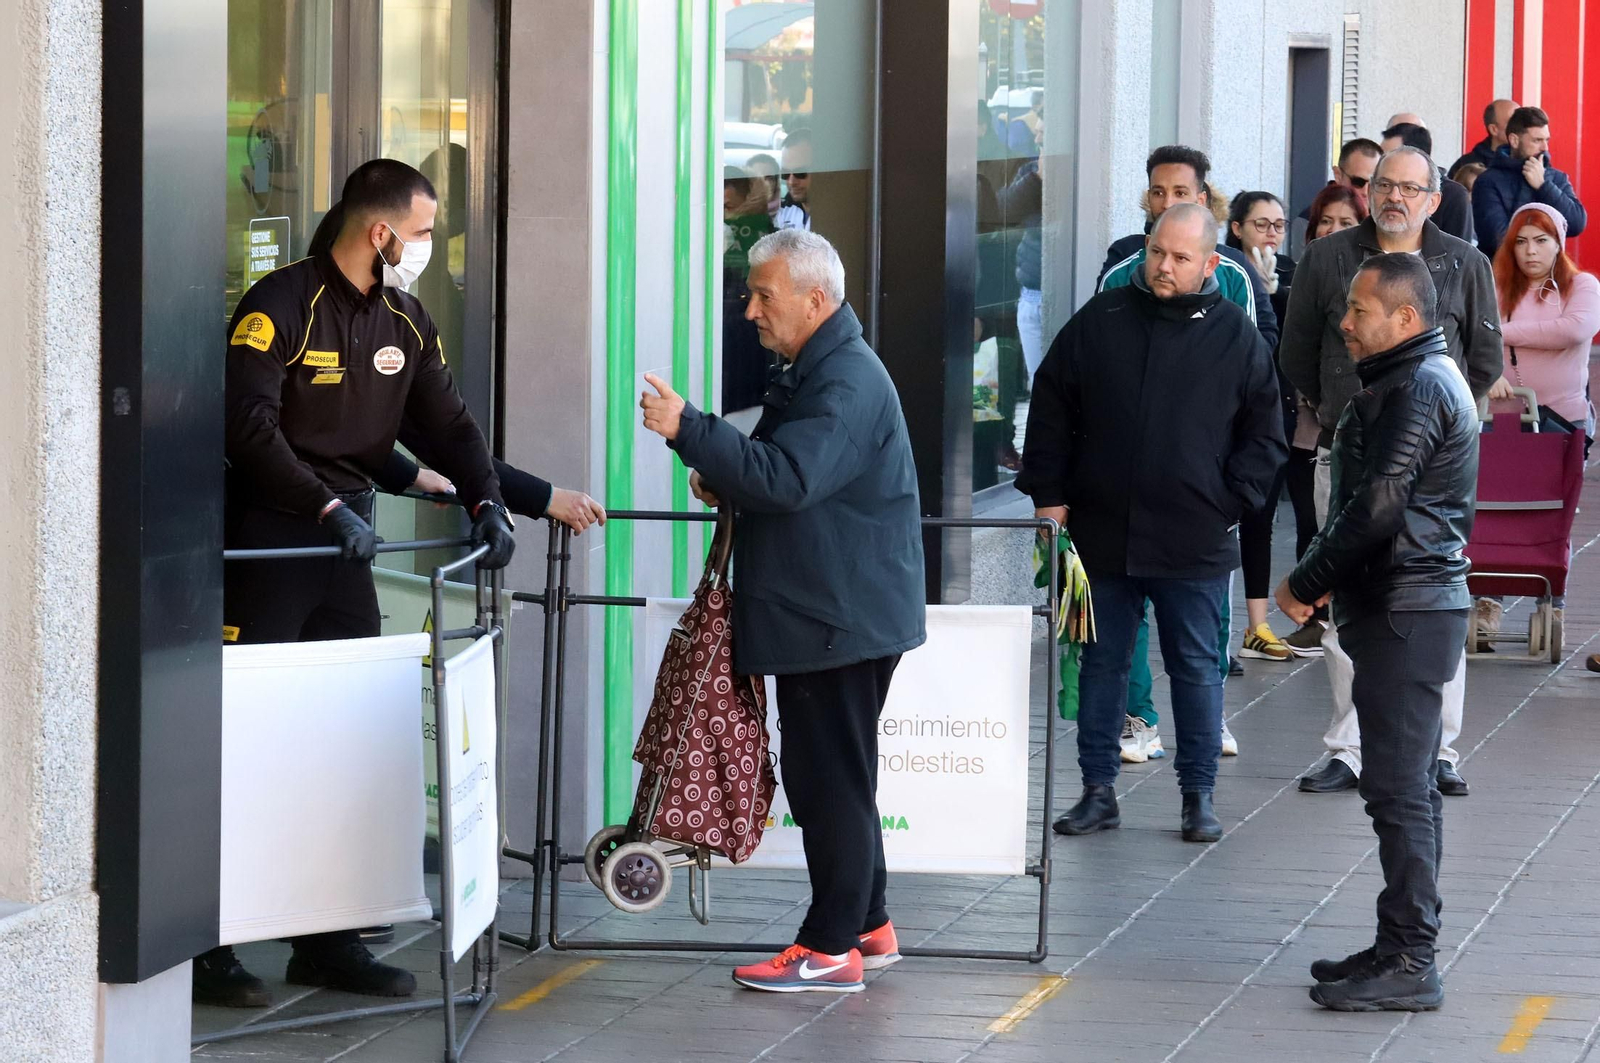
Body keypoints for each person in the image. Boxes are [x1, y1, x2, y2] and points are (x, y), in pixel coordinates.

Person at [203, 159, 516, 1007]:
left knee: (339, 738)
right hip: (270, 543)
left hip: (346, 554)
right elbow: (248, 428)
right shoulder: (278, 305)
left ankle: (326, 937)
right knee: (246, 740)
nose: (425, 247)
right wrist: (324, 507)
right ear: (380, 233)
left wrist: (490, 500)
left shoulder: (407, 321)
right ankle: (210, 940)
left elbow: (447, 422)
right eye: (419, 234)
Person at [639, 229, 925, 994]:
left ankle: (829, 946)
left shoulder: (845, 380)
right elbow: (779, 474)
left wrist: (691, 430)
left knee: (827, 777)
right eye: (751, 292)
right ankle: (868, 924)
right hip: (833, 606)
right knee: (838, 775)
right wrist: (720, 472)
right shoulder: (821, 369)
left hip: (835, 613)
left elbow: (791, 476)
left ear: (815, 300)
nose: (750, 309)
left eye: (764, 295)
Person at [1020, 204, 1286, 843]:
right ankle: (1096, 790)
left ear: (1210, 264)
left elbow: (1265, 435)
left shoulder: (1236, 335)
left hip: (1194, 537)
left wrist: (1228, 502)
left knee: (1197, 666)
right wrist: (1050, 499)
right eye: (1157, 252)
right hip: (1101, 530)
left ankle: (1198, 797)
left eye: (1181, 258)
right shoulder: (1101, 320)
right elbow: (1051, 408)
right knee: (1100, 662)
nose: (1165, 267)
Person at [1277, 252, 1478, 1012]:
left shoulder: (1422, 384)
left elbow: (1380, 503)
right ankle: (1398, 940)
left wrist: (1304, 581)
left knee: (1398, 787)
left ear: (1406, 317)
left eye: (1359, 309)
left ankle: (1410, 957)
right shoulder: (1409, 378)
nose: (1344, 320)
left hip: (1409, 607)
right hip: (1403, 605)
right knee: (1405, 785)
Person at [1280, 146, 1501, 798]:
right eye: (1384, 184)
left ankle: (1440, 750)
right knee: (1344, 600)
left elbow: (1483, 360)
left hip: (1434, 477)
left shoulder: (1465, 262)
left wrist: (1430, 422)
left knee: (1434, 603)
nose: (1395, 196)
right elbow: (1296, 354)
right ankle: (1349, 747)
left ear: (1434, 198)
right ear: (1367, 189)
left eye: (1410, 187)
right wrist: (1341, 413)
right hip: (1344, 454)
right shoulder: (1326, 258)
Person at [1100, 147, 1276, 760]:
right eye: (1156, 191)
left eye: (1180, 191)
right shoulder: (1119, 273)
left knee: (1201, 620)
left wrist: (1232, 490)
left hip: (1202, 494)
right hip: (1124, 498)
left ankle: (1208, 721)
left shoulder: (1233, 277)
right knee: (1121, 624)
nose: (1166, 201)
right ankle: (1136, 716)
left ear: (1203, 199)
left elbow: (1253, 384)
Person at [1472, 203, 1600, 645]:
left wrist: (1501, 333)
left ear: (1559, 243)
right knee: (1496, 509)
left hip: (1564, 418)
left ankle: (1553, 601)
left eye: (1541, 240)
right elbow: (1472, 336)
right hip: (1503, 417)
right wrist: (1491, 377)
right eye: (1522, 241)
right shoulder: (1495, 283)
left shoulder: (1582, 285)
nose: (1530, 251)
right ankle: (1489, 601)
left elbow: (1574, 329)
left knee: (1555, 513)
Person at [1280, 184, 1372, 654]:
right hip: (1321, 422)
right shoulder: (1316, 269)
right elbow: (1296, 347)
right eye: (1326, 222)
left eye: (1347, 223)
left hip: (1371, 427)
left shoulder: (1386, 274)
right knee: (1314, 524)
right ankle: (1317, 617)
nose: (1334, 232)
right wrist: (1324, 398)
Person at [1227, 191, 1298, 663]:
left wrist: (1276, 296)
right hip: (1228, 414)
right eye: (1260, 224)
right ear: (1236, 228)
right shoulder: (1224, 274)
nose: (1271, 233)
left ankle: (1257, 625)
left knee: (1261, 518)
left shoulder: (1292, 273)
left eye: (1278, 224)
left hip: (1277, 411)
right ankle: (1219, 634)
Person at [1473, 106, 1588, 257]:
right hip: (1501, 275)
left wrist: (1543, 186)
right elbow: (1498, 241)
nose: (1545, 147)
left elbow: (1577, 224)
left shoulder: (1555, 178)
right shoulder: (1487, 182)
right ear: (1514, 140)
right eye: (1537, 140)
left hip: (1548, 274)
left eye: (1547, 140)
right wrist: (1529, 185)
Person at [1381, 122, 1475, 244]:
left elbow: (1460, 256)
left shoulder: (1453, 196)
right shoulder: (1378, 188)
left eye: (1390, 156)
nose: (1381, 163)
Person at [1288, 138, 1381, 259]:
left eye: (1375, 184)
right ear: (1338, 175)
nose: (1366, 191)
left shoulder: (1386, 221)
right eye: (1358, 182)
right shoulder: (1306, 220)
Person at [1448, 98, 1519, 181]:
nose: (1522, 127)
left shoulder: (1531, 162)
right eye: (1513, 121)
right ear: (1494, 129)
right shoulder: (1466, 165)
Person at [776, 128, 813, 231]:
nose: (791, 182)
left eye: (800, 173)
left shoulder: (838, 212)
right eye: (786, 174)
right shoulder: (782, 212)